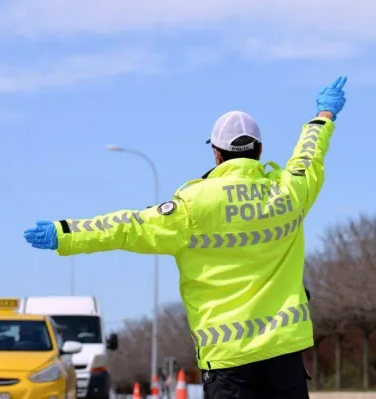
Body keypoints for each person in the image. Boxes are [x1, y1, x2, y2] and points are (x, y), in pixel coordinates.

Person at [23, 76, 348, 398]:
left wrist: (66, 233)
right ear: (259, 150)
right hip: (284, 352)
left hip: (228, 360)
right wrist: (324, 115)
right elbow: (308, 157)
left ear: (216, 154)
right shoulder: (288, 193)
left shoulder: (193, 206)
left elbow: (126, 227)